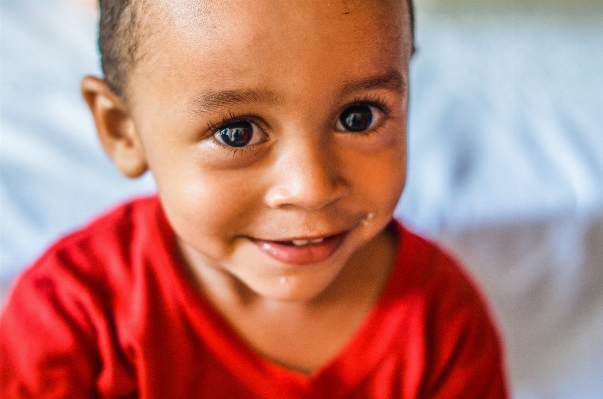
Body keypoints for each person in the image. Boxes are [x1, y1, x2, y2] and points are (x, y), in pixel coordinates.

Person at [0, 0, 508, 397]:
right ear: (123, 132)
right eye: (237, 133)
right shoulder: (73, 316)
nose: (310, 188)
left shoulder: (443, 325)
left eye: (359, 116)